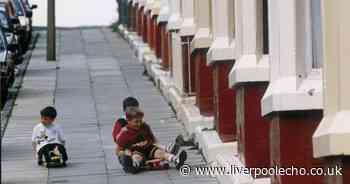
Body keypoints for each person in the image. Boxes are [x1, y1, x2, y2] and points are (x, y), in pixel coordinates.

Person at [116, 107, 187, 173]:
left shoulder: (145, 127)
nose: (139, 123)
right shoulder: (124, 133)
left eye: (140, 121)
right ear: (128, 121)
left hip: (148, 148)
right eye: (136, 122)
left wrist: (161, 147)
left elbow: (152, 140)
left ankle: (177, 160)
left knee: (160, 153)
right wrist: (126, 153)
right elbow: (119, 150)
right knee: (137, 158)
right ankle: (137, 165)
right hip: (136, 152)